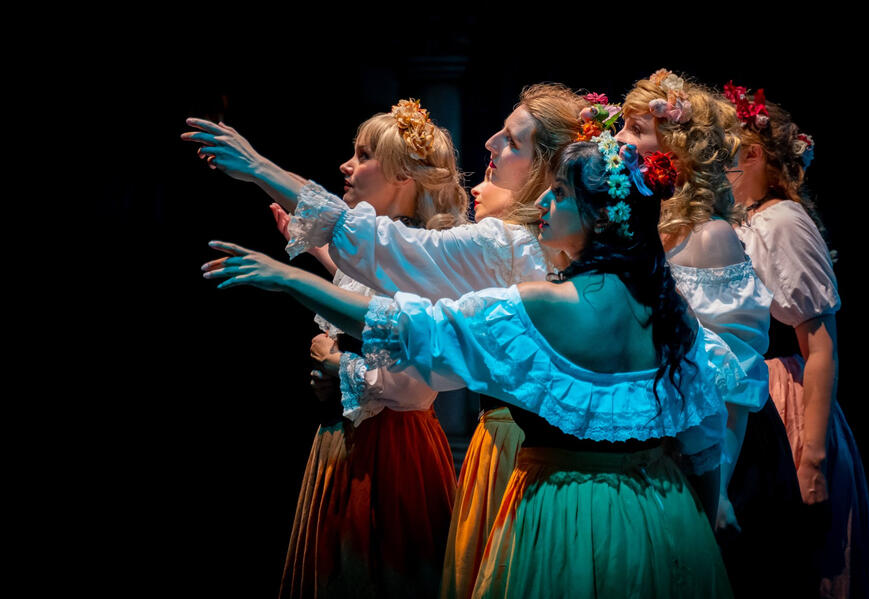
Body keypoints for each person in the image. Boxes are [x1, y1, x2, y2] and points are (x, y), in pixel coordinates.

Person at [200, 141, 737, 597]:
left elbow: (412, 328)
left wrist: (287, 280)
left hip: (564, 516)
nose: (543, 201)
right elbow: (704, 446)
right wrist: (700, 536)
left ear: (598, 217)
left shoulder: (545, 304)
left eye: (560, 194)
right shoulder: (671, 314)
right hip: (665, 518)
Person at [187, 83, 591, 598]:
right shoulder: (536, 242)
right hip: (567, 465)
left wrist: (261, 173)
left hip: (521, 452)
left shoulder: (512, 241)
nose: (490, 143)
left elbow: (413, 320)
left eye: (511, 141)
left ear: (549, 164)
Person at [187, 99, 466, 598]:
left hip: (393, 450)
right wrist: (312, 244)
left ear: (403, 174)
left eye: (363, 156)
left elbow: (415, 381)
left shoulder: (425, 255)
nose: (347, 165)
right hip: (348, 440)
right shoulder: (387, 251)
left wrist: (339, 365)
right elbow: (356, 273)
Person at [616, 69, 813, 597]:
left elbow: (734, 375)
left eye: (637, 129)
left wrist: (717, 485)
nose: (619, 140)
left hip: (723, 450)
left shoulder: (709, 237)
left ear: (677, 147)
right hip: (663, 442)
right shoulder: (647, 229)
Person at [726, 82, 869, 598]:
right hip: (749, 391)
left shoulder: (782, 222)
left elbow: (820, 346)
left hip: (783, 396)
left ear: (751, 153)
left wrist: (811, 457)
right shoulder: (740, 220)